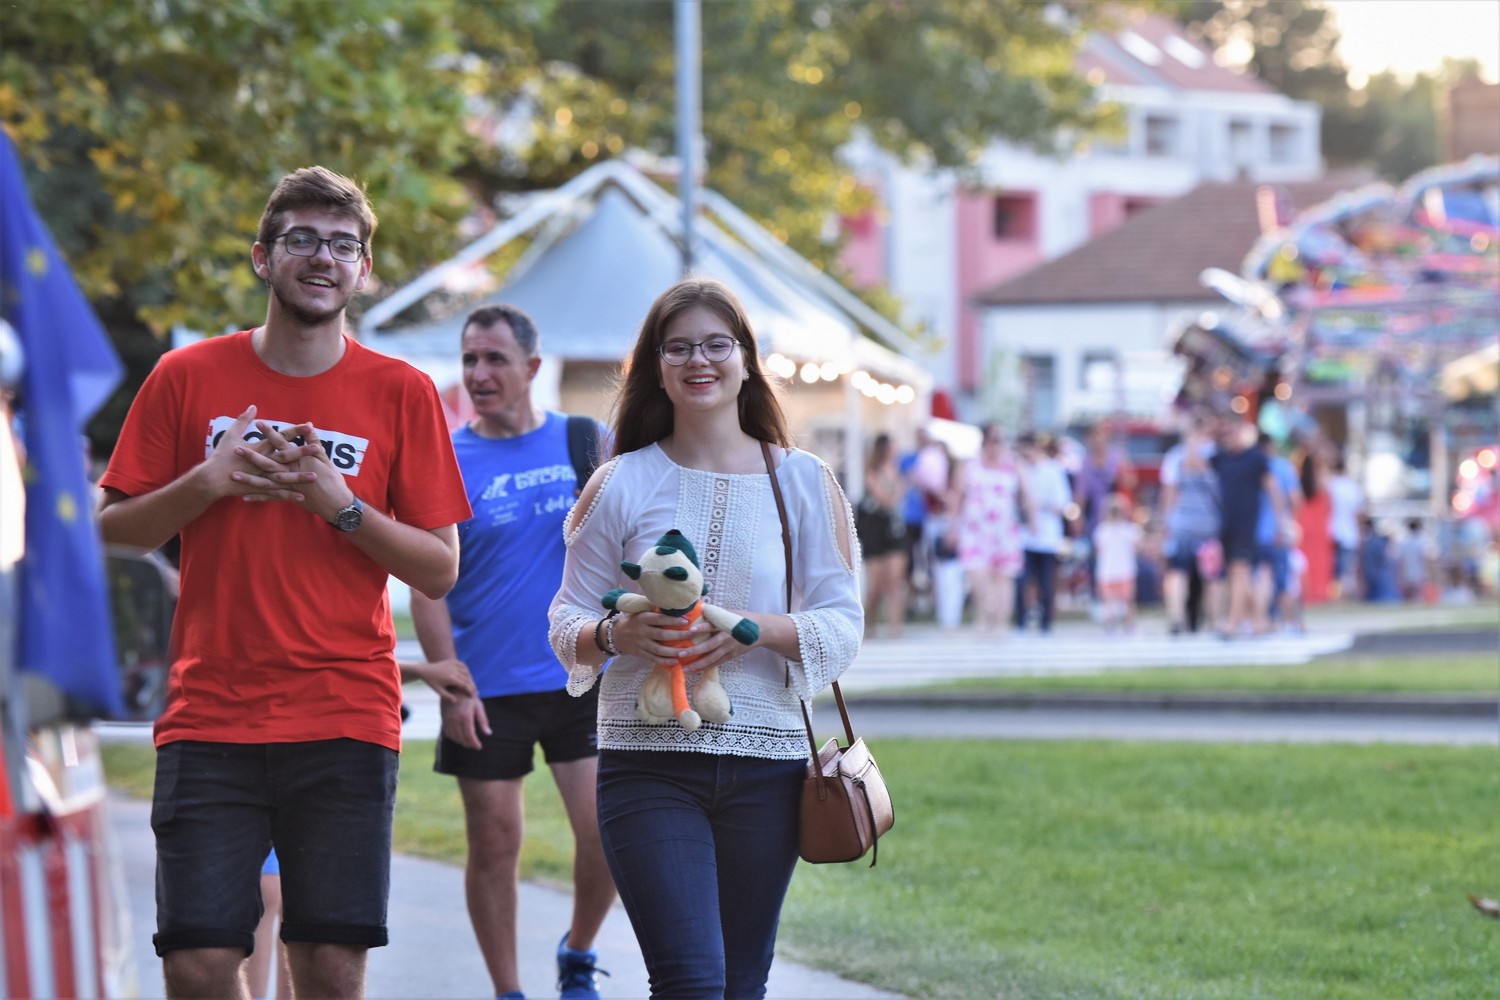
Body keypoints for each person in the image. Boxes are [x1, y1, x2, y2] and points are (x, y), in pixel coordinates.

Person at [97, 166, 472, 999]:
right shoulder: (186, 376)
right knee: (196, 961)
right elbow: (112, 530)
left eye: (344, 245)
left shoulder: (401, 391)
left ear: (364, 271)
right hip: (209, 713)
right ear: (263, 258)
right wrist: (210, 481)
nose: (322, 257)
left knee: (330, 970)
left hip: (345, 711)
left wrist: (340, 507)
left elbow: (439, 568)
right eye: (300, 239)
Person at [546, 277, 862, 998]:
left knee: (742, 984)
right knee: (691, 980)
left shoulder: (805, 481)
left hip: (771, 768)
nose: (700, 360)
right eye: (678, 347)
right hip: (645, 764)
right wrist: (614, 633)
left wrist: (755, 635)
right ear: (656, 365)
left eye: (717, 344)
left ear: (747, 359)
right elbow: (565, 624)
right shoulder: (620, 481)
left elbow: (844, 627)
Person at [408, 304, 616, 1000]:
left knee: (607, 835)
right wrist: (452, 684)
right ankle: (507, 991)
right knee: (494, 847)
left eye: (495, 359)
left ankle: (579, 953)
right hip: (488, 686)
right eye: (470, 359)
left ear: (532, 367)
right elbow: (427, 586)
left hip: (582, 677)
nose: (480, 373)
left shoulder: (587, 441)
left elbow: (630, 546)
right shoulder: (448, 457)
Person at [951, 424, 1026, 633]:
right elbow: (957, 497)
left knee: (1004, 577)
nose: (996, 445)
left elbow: (1026, 496)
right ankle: (983, 617)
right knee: (978, 575)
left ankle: (1001, 623)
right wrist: (952, 526)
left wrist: (1033, 519)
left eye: (1000, 440)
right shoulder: (968, 466)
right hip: (975, 529)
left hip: (1004, 530)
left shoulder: (1013, 465)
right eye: (993, 440)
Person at [1160, 417, 1222, 636]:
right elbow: (1220, 494)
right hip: (1209, 523)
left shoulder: (1175, 457)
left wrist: (1165, 522)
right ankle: (1215, 620)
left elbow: (1170, 494)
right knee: (1212, 575)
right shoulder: (1215, 456)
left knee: (1179, 572)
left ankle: (1177, 617)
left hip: (1182, 522)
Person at [1013, 433, 1072, 634]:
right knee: (1021, 581)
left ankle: (1046, 623)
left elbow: (1062, 504)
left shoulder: (1052, 471)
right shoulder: (1019, 470)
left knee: (1046, 582)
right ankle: (1020, 621)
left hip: (1047, 537)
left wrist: (1038, 505)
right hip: (1023, 537)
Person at [856, 432, 908, 638]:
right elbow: (883, 498)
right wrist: (896, 489)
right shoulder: (872, 470)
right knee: (876, 582)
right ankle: (870, 622)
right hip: (875, 529)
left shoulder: (898, 470)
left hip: (895, 529)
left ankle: (895, 627)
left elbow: (897, 497)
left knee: (895, 579)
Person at [1255, 433, 1304, 631]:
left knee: (1259, 579)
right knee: (1282, 580)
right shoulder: (1282, 467)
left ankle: (1263, 621)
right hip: (1277, 533)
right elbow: (1295, 499)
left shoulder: (1253, 466)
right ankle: (1293, 622)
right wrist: (1286, 523)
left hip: (1254, 532)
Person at [1092, 493, 1142, 634]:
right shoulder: (1130, 530)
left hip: (1107, 572)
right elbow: (1138, 546)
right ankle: (1129, 624)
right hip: (1125, 571)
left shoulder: (1102, 530)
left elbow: (1098, 549)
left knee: (1109, 602)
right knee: (1128, 601)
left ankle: (1110, 624)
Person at [1326, 456, 1364, 600]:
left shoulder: (1330, 485)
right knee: (1346, 568)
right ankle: (1344, 596)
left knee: (1334, 569)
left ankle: (1335, 596)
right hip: (1349, 533)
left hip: (1331, 531)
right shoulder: (1352, 486)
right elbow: (1358, 513)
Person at [1396, 518, 1432, 602]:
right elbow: (1423, 559)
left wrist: (1400, 576)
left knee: (1409, 598)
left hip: (1407, 573)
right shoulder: (1421, 542)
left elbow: (1401, 562)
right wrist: (1428, 573)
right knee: (1419, 597)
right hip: (1419, 573)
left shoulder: (1404, 542)